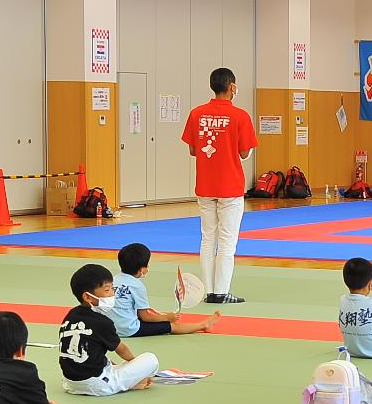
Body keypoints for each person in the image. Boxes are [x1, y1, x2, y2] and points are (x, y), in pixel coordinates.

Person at [183, 67, 259, 305]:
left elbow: (193, 149)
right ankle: (221, 291)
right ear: (232, 87)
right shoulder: (240, 116)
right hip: (231, 186)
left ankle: (207, 291)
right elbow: (245, 152)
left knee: (208, 239)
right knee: (227, 241)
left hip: (205, 184)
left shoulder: (197, 114)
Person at [59, 262, 161, 395]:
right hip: (98, 385)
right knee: (150, 359)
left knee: (112, 365)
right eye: (107, 290)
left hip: (70, 383)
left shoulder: (71, 315)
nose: (112, 294)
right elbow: (122, 350)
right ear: (87, 297)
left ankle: (125, 379)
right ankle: (132, 382)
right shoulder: (103, 322)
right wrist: (135, 366)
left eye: (112, 289)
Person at [109, 243, 217, 340]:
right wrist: (167, 318)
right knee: (171, 326)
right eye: (148, 264)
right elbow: (145, 316)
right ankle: (203, 325)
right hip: (128, 329)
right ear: (142, 270)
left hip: (110, 329)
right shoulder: (137, 286)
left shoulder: (113, 280)